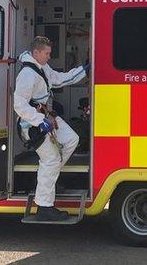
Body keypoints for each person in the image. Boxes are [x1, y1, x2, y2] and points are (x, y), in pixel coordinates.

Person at [13, 36, 89, 221]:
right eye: (46, 53)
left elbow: (59, 79)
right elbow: (19, 104)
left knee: (72, 139)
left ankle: (48, 180)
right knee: (51, 159)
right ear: (36, 52)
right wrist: (40, 121)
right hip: (32, 125)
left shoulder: (41, 68)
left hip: (46, 118)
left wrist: (84, 70)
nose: (49, 57)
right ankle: (44, 207)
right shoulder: (27, 74)